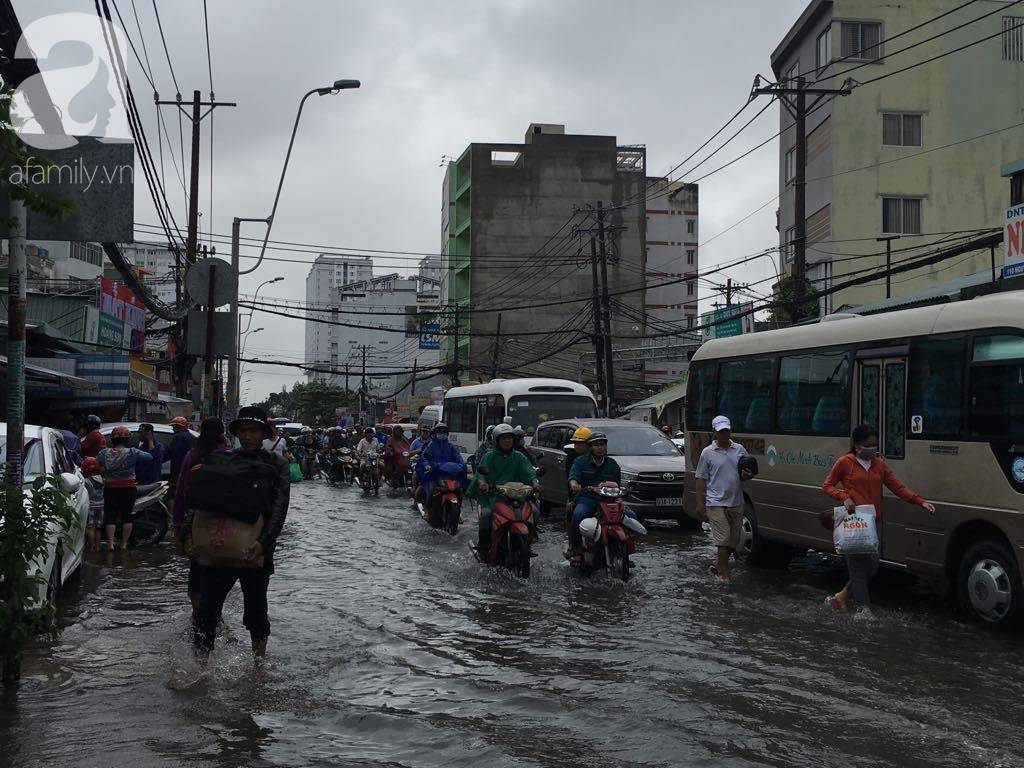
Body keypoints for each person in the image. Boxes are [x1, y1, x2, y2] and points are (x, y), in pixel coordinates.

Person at [184, 406, 290, 661]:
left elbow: (279, 509)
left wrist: (263, 543)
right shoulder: (223, 460)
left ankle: (259, 665)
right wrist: (188, 535)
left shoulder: (277, 465)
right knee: (207, 609)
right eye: (243, 431)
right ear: (237, 434)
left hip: (256, 551)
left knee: (256, 610)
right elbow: (201, 503)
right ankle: (201, 668)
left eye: (254, 431)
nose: (248, 436)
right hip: (219, 548)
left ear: (263, 433)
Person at [822, 423, 935, 616]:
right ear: (856, 444)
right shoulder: (844, 462)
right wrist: (844, 497)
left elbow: (897, 487)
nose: (872, 448)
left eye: (874, 444)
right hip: (853, 523)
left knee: (872, 567)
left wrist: (920, 501)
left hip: (875, 523)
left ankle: (840, 598)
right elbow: (827, 485)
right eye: (868, 445)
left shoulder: (879, 464)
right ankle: (865, 610)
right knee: (858, 569)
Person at [174, 418, 233, 616]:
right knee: (218, 568)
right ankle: (214, 613)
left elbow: (181, 490)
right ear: (221, 433)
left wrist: (177, 522)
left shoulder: (192, 454)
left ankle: (197, 613)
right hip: (222, 520)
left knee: (197, 566)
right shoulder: (229, 455)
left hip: (195, 519)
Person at [694, 415, 754, 584]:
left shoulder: (739, 450)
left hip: (736, 501)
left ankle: (718, 563)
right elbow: (700, 478)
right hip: (715, 502)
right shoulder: (707, 453)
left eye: (726, 431)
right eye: (720, 431)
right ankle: (724, 574)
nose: (724, 434)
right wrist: (700, 503)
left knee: (734, 541)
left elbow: (747, 471)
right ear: (714, 432)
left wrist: (747, 475)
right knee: (723, 540)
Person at [567, 431, 637, 564]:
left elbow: (617, 486)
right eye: (596, 445)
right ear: (590, 447)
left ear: (606, 446)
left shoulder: (612, 464)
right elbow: (573, 477)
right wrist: (574, 484)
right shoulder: (580, 461)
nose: (600, 448)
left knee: (631, 516)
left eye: (602, 445)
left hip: (609, 500)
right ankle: (577, 550)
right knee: (578, 514)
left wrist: (620, 500)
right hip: (587, 498)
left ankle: (626, 552)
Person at [469, 423, 539, 553]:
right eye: (504, 438)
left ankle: (528, 543)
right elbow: (481, 473)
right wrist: (483, 483)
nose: (507, 441)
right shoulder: (489, 456)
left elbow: (530, 471)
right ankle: (483, 548)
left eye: (509, 438)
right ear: (497, 440)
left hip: (516, 495)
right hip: (493, 496)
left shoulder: (519, 456)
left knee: (534, 511)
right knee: (486, 515)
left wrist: (535, 483)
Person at [97, 425, 156, 550]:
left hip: (110, 488)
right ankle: (124, 544)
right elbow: (149, 457)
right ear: (127, 439)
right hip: (128, 488)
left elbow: (98, 464)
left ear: (112, 439)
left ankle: (110, 544)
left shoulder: (103, 453)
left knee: (110, 515)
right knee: (127, 516)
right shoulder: (133, 452)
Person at [416, 423, 466, 498]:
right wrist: (427, 465)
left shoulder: (451, 447)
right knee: (430, 491)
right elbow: (424, 457)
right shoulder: (430, 446)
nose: (442, 434)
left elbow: (458, 458)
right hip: (435, 474)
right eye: (440, 432)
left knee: (459, 491)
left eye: (444, 432)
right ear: (435, 434)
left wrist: (462, 466)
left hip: (450, 474)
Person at [166, 416, 195, 522]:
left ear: (178, 427)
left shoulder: (178, 437)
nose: (173, 429)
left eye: (174, 427)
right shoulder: (192, 437)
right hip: (189, 470)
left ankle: (172, 518)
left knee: (172, 494)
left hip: (178, 470)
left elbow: (173, 452)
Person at [81, 456, 105, 552]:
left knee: (90, 528)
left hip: (91, 506)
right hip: (101, 506)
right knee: (98, 528)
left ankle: (91, 548)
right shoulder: (102, 479)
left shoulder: (86, 481)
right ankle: (98, 547)